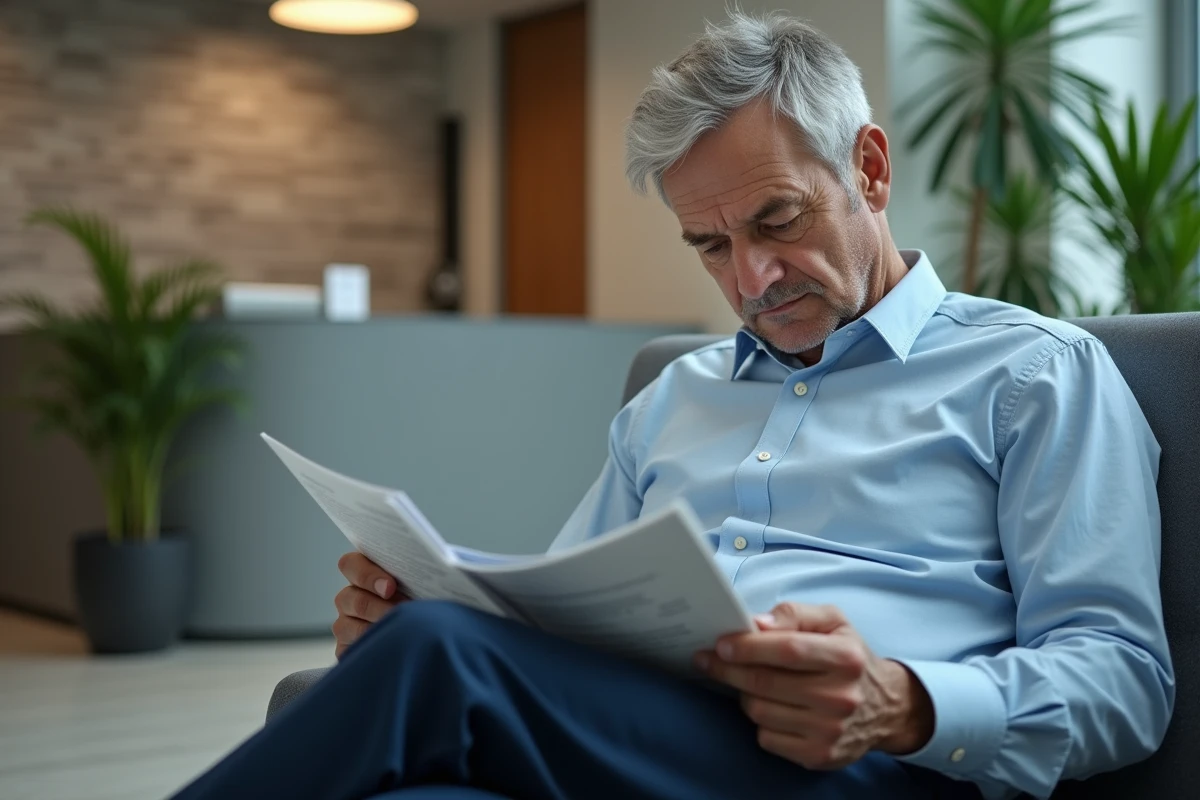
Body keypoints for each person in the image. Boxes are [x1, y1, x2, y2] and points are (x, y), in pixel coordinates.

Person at [170, 11, 1173, 800]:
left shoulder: (1034, 374)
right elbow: (551, 627)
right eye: (711, 244)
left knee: (439, 658)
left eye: (778, 219)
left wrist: (902, 702)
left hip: (873, 770)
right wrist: (415, 614)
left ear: (868, 168)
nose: (752, 278)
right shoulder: (674, 397)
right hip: (648, 750)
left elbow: (1124, 677)